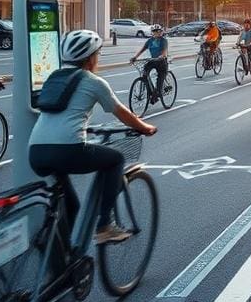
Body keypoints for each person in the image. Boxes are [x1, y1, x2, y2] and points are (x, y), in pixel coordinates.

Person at [29, 30, 157, 245]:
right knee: (115, 159)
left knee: (70, 205)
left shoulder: (53, 77)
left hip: (36, 152)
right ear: (90, 58)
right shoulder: (94, 82)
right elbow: (122, 112)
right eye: (98, 53)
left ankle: (61, 264)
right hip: (68, 150)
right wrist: (145, 127)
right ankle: (105, 225)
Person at [130, 24, 168, 102]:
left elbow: (164, 52)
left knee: (160, 80)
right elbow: (142, 49)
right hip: (153, 60)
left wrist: (161, 56)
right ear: (152, 32)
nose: (157, 33)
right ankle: (152, 92)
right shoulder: (150, 40)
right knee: (145, 73)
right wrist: (135, 57)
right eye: (155, 31)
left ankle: (158, 93)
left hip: (161, 62)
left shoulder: (163, 40)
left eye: (159, 31)